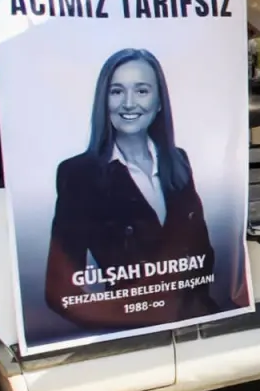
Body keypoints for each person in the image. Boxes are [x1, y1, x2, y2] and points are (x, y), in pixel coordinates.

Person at [45, 48, 220, 327]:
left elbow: (203, 255)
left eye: (141, 91)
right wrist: (124, 325)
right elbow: (60, 291)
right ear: (104, 101)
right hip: (136, 332)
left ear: (159, 101)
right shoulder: (79, 174)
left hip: (197, 326)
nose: (128, 103)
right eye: (116, 91)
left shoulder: (179, 161)